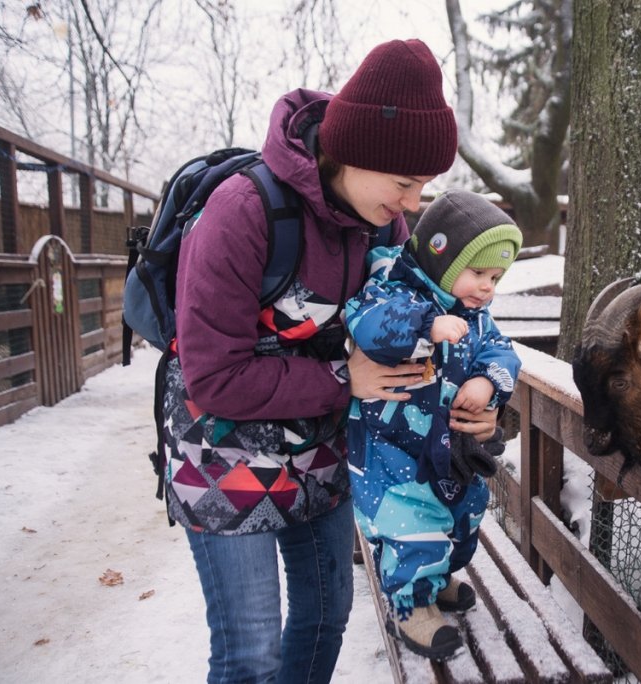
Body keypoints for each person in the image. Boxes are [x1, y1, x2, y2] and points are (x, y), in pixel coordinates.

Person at [161, 40, 497, 683]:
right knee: (251, 649)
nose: (412, 203)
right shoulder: (242, 211)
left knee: (324, 620)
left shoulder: (387, 229)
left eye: (423, 186)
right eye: (404, 183)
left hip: (321, 454)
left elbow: (422, 335)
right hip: (222, 461)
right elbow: (213, 376)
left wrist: (474, 401)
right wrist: (346, 379)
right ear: (355, 155)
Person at [344, 189, 523, 660]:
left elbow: (502, 352)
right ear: (442, 259)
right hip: (392, 449)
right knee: (411, 525)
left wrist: (488, 383)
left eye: (495, 278)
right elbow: (367, 323)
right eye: (478, 273)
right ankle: (410, 605)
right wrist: (425, 324)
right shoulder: (393, 288)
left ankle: (439, 577)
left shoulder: (477, 316)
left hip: (449, 453)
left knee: (464, 517)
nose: (487, 287)